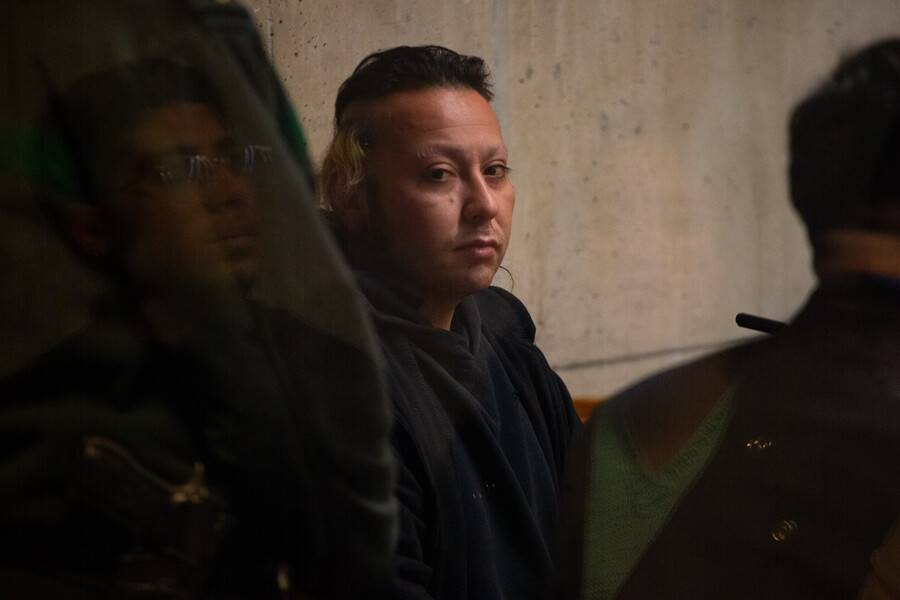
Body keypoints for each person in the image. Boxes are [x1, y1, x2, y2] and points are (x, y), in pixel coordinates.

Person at [1, 3, 395, 598]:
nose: (230, 191)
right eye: (179, 169)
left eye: (236, 160)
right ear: (92, 226)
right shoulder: (60, 404)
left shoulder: (308, 357)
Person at [559, 38, 900, 600]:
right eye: (617, 220)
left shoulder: (639, 419)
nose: (653, 249)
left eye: (679, 220)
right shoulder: (642, 431)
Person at [320, 45, 581, 600]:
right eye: (439, 175)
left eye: (494, 171)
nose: (485, 205)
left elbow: (603, 536)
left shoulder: (508, 345)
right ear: (353, 197)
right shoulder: (342, 388)